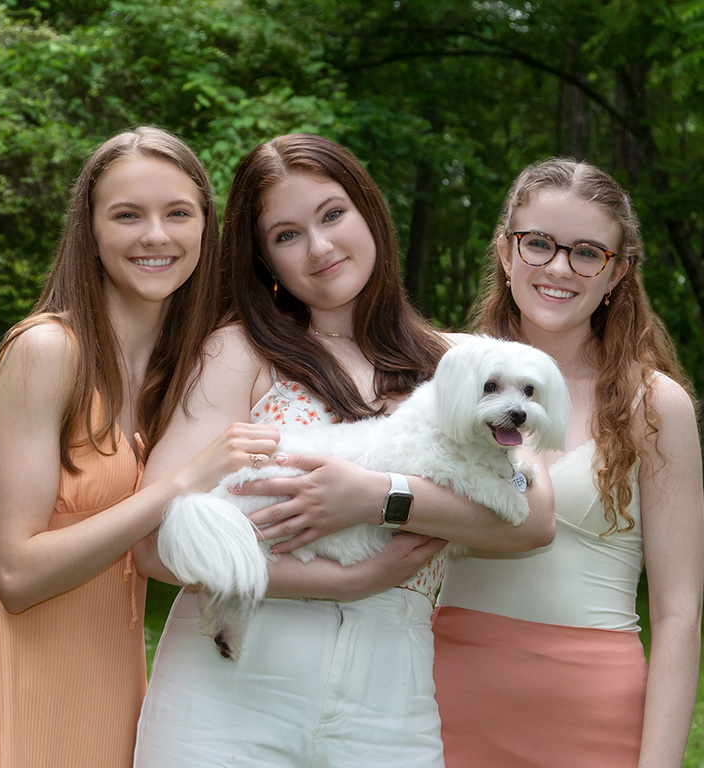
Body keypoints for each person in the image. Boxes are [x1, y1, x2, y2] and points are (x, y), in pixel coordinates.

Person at [130, 134, 555, 768]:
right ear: (263, 260)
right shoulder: (238, 353)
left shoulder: (461, 363)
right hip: (232, 689)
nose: (321, 247)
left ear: (369, 211)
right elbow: (150, 540)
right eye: (286, 235)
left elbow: (532, 518)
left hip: (392, 697)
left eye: (333, 214)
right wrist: (348, 580)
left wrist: (380, 499)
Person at [0, 126, 280, 768]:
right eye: (127, 215)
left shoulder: (183, 375)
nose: (155, 236)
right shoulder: (48, 351)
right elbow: (18, 575)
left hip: (115, 693)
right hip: (17, 684)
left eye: (177, 213)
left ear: (205, 227)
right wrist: (180, 483)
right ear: (91, 230)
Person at [432, 158, 704, 768]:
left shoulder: (656, 406)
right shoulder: (444, 373)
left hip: (592, 716)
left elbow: (678, 615)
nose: (558, 267)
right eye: (538, 244)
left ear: (618, 273)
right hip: (439, 697)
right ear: (506, 253)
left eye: (587, 252)